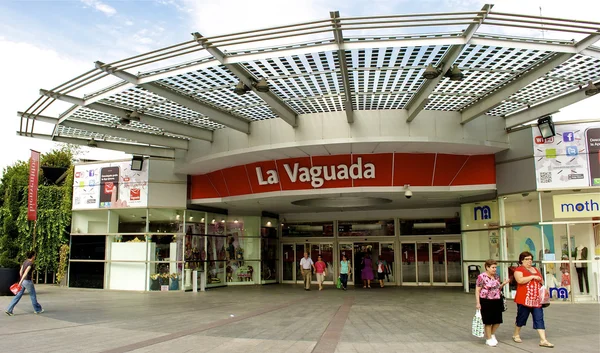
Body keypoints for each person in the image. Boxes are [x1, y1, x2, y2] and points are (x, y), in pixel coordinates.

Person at [512, 251, 554, 348]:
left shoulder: (535, 269)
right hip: (524, 299)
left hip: (536, 299)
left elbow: (541, 280)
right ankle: (516, 334)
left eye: (530, 259)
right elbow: (520, 280)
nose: (529, 261)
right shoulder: (519, 270)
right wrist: (531, 277)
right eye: (527, 259)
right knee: (522, 317)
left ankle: (543, 339)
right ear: (521, 260)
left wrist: (543, 287)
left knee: (539, 318)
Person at [475, 259, 510, 347]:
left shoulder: (496, 276)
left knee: (497, 320)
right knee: (488, 321)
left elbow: (497, 288)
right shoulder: (481, 277)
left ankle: (492, 333)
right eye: (493, 267)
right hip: (486, 300)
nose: (494, 269)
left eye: (495, 267)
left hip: (497, 299)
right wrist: (478, 303)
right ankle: (488, 338)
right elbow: (477, 290)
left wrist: (503, 284)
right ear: (487, 267)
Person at [5, 251, 43, 316]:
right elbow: (25, 273)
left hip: (23, 281)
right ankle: (37, 309)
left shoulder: (25, 262)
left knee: (18, 296)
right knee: (33, 295)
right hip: (27, 281)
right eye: (35, 255)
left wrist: (21, 280)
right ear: (33, 256)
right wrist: (20, 282)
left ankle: (9, 309)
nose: (35, 256)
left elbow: (21, 271)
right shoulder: (30, 263)